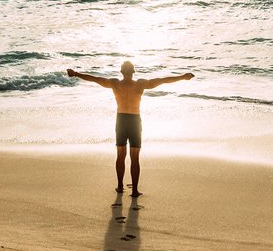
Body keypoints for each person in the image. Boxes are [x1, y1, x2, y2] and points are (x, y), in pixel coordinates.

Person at [66, 61, 194, 196]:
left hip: (121, 121)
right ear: (133, 72)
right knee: (135, 158)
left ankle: (120, 186)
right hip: (134, 122)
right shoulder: (140, 84)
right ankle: (135, 190)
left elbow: (95, 79)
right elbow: (163, 80)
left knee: (120, 155)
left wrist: (76, 74)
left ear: (121, 72)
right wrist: (182, 77)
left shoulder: (115, 83)